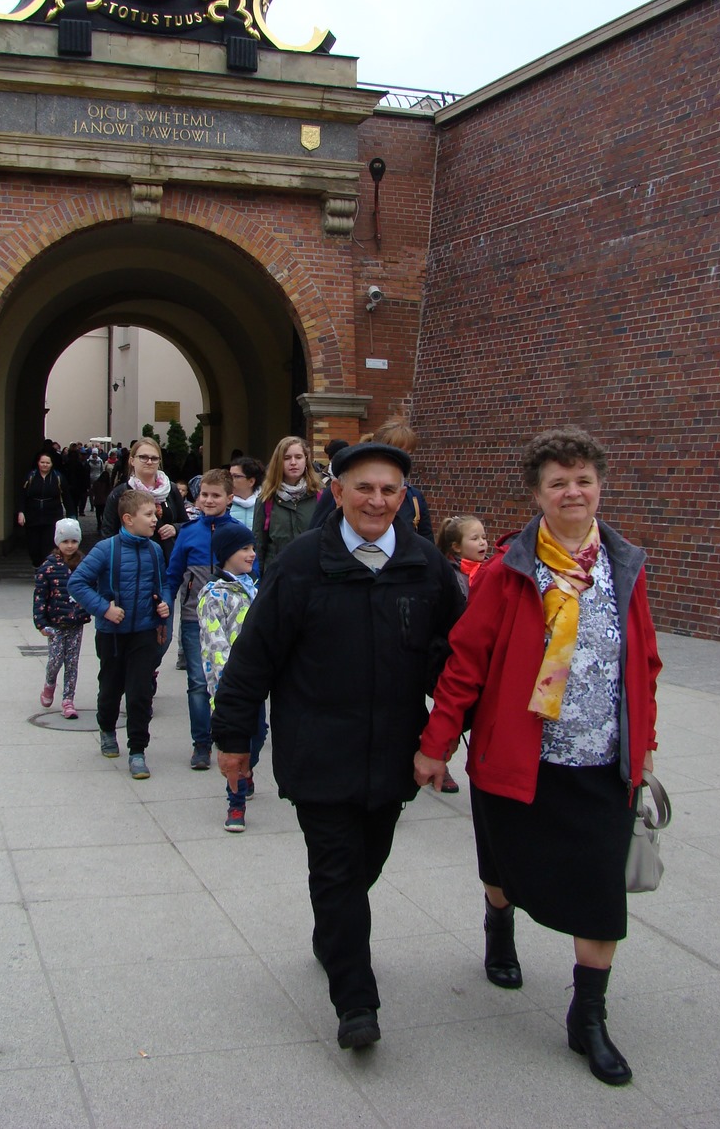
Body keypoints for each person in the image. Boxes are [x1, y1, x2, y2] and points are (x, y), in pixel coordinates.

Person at [414, 426, 661, 1087]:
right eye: (558, 482)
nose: (572, 492)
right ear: (537, 493)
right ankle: (499, 923)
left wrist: (645, 746)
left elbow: (643, 661)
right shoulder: (508, 571)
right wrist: (436, 745)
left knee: (601, 894)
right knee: (504, 869)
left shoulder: (624, 565)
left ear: (599, 486)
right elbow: (465, 664)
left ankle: (588, 1018)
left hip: (603, 762)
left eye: (583, 480)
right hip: (520, 757)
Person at [213, 442, 464, 1050]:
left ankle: (333, 935)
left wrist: (454, 730)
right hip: (318, 751)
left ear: (404, 499)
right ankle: (356, 1001)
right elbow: (254, 656)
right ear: (338, 492)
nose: (376, 501)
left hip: (392, 754)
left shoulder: (425, 565)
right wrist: (233, 738)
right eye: (364, 488)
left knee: (364, 864)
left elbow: (457, 657)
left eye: (389, 490)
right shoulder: (302, 563)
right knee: (336, 869)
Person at [69, 489, 171, 780]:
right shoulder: (106, 549)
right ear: (128, 519)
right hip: (112, 634)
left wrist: (164, 603)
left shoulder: (154, 550)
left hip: (144, 632)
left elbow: (163, 584)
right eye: (148, 514)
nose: (155, 519)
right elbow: (77, 583)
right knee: (111, 689)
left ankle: (137, 751)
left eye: (155, 513)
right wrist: (104, 609)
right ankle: (107, 729)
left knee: (140, 693)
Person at [166, 469, 241, 769]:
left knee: (230, 680)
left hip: (230, 620)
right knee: (198, 681)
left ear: (229, 498)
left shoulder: (238, 533)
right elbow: (173, 575)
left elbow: (252, 574)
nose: (208, 500)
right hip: (193, 617)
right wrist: (165, 606)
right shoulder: (188, 533)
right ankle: (201, 743)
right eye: (204, 495)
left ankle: (229, 737)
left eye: (216, 495)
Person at [197, 520, 264, 834]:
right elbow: (215, 644)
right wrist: (228, 684)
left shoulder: (255, 588)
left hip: (257, 681)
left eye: (252, 547)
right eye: (244, 549)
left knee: (258, 736)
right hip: (229, 687)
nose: (252, 554)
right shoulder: (213, 595)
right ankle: (235, 803)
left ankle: (247, 770)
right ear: (226, 554)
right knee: (237, 741)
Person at [32, 517, 91, 718]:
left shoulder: (83, 564)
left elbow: (90, 588)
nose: (70, 546)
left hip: (76, 622)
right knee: (55, 660)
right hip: (55, 623)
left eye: (74, 541)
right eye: (65, 541)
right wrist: (41, 622)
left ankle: (68, 700)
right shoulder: (48, 567)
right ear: (58, 542)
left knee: (72, 663)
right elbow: (40, 596)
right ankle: (50, 683)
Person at [253, 435, 321, 574]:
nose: (293, 462)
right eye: (287, 458)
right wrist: (259, 579)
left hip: (312, 574)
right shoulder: (266, 499)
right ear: (278, 462)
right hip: (278, 574)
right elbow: (259, 543)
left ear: (306, 460)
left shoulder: (319, 496)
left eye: (298, 457)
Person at [17, 453, 73, 568]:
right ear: (38, 463)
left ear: (52, 464)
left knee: (48, 546)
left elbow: (66, 496)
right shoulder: (30, 476)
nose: (45, 465)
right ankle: (37, 566)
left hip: (52, 516)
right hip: (33, 516)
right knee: (33, 546)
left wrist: (71, 515)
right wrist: (21, 512)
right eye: (42, 462)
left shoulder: (58, 477)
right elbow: (22, 495)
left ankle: (46, 569)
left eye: (47, 463)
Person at [436, 515, 490, 600]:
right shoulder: (450, 575)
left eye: (484, 537)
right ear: (457, 547)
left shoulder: (491, 569)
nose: (482, 542)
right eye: (475, 538)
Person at [227, 455, 266, 530]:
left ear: (251, 481)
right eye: (229, 476)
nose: (230, 480)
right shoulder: (224, 503)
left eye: (236, 476)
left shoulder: (265, 503)